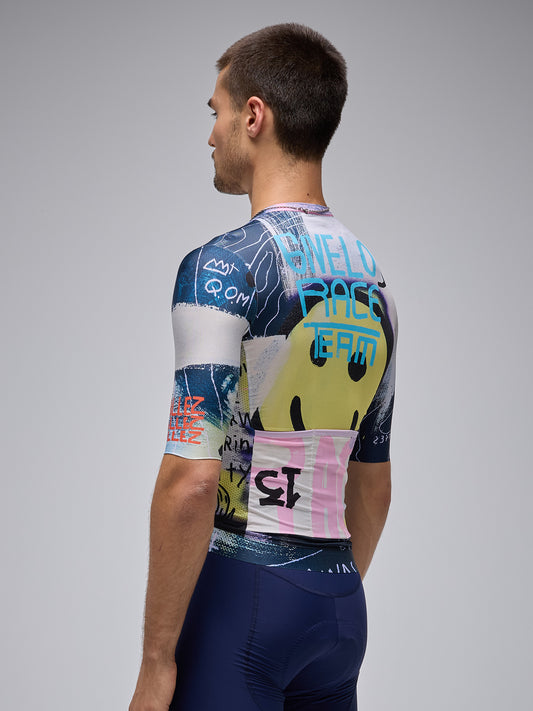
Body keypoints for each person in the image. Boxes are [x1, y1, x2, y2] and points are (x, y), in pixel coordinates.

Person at [129, 23, 397, 711]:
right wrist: (319, 592)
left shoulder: (221, 268)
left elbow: (192, 480)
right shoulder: (375, 284)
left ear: (254, 116)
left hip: (243, 602)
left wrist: (156, 663)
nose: (210, 134)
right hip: (339, 608)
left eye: (215, 112)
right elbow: (373, 487)